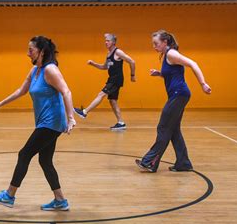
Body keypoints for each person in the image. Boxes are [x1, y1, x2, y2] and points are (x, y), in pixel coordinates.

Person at [0, 36, 76, 211]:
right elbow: (21, 90)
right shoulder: (36, 70)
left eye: (31, 50)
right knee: (45, 160)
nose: (28, 53)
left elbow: (66, 91)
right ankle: (60, 200)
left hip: (51, 123)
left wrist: (71, 117)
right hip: (45, 122)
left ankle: (9, 195)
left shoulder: (50, 70)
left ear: (41, 52)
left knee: (24, 154)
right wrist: (1, 103)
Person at [136, 30, 212, 173]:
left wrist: (203, 84)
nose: (154, 46)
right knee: (174, 130)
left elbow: (193, 63)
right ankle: (183, 163)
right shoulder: (167, 55)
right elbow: (173, 73)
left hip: (179, 94)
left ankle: (149, 162)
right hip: (178, 95)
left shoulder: (172, 54)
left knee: (163, 127)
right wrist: (159, 73)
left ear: (165, 42)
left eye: (156, 43)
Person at [73, 33, 136, 130]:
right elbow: (104, 67)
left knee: (101, 94)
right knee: (113, 101)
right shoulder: (108, 54)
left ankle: (84, 112)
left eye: (108, 40)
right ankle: (121, 123)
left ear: (114, 42)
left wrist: (132, 75)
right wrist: (93, 64)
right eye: (105, 40)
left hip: (116, 79)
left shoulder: (118, 52)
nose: (106, 42)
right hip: (112, 79)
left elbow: (132, 61)